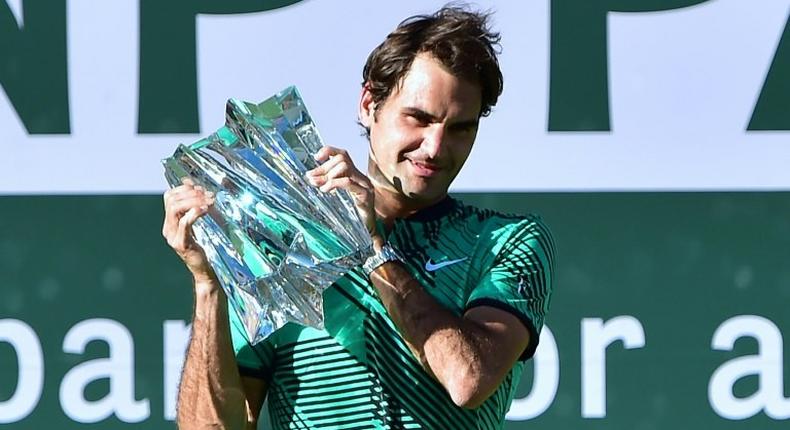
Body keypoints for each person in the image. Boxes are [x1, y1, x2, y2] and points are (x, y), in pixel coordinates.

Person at [162, 5, 555, 429]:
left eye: (460, 127)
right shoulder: (283, 242)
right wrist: (208, 285)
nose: (436, 147)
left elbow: (468, 379)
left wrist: (372, 248)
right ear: (369, 104)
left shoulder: (507, 241)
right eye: (418, 118)